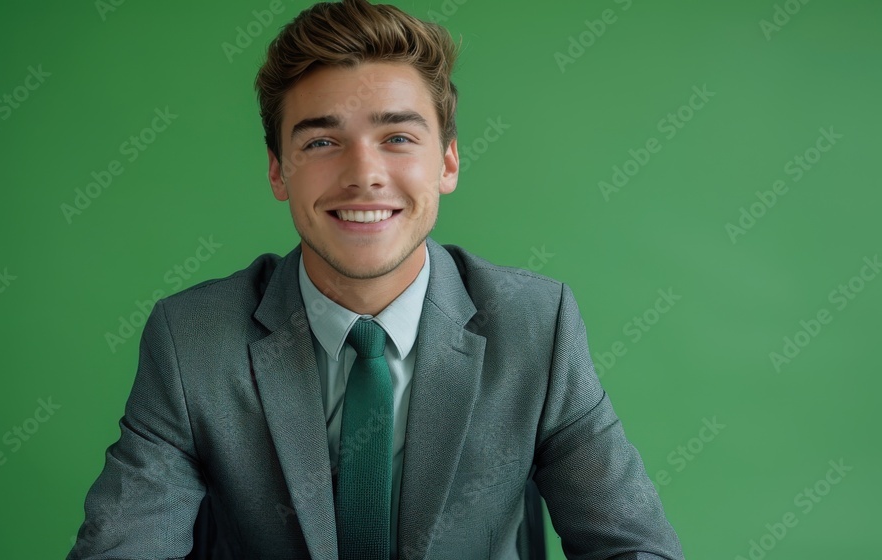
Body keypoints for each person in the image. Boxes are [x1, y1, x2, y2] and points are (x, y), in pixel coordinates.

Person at [67, 1, 684, 558]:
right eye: (322, 142)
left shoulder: (536, 326)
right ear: (279, 173)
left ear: (447, 161)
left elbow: (632, 547)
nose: (364, 174)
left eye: (396, 137)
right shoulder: (192, 340)